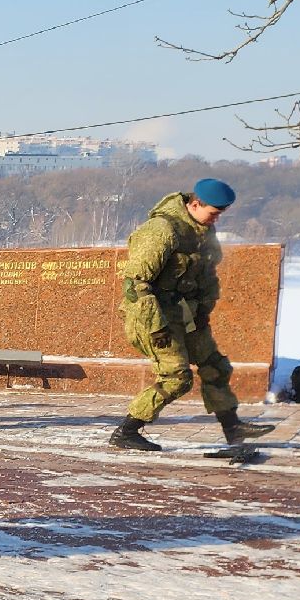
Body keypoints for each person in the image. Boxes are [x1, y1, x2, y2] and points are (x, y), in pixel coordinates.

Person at [109, 177, 276, 454]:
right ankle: (126, 431)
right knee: (177, 378)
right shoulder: (161, 230)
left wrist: (202, 313)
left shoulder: (202, 231)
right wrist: (156, 328)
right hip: (153, 319)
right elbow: (135, 285)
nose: (216, 220)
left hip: (185, 315)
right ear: (195, 204)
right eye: (213, 213)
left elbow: (207, 276)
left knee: (215, 365)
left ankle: (232, 427)